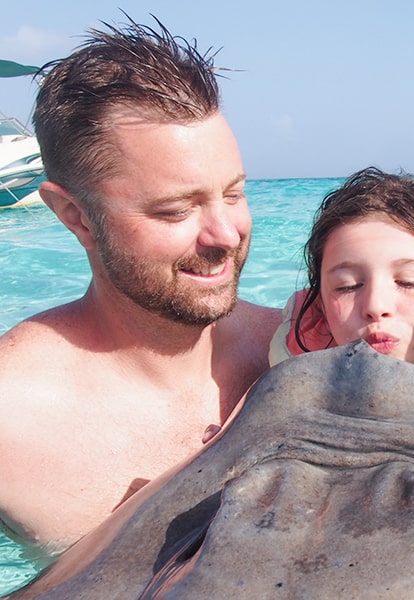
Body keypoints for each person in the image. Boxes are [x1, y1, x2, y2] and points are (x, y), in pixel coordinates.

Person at [0, 19, 282, 555]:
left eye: (233, 194)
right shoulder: (11, 414)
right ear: (75, 216)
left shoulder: (296, 353)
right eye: (175, 209)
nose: (224, 235)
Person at [269, 166, 414, 381]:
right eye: (347, 286)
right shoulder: (296, 378)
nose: (375, 307)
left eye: (409, 282)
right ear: (322, 306)